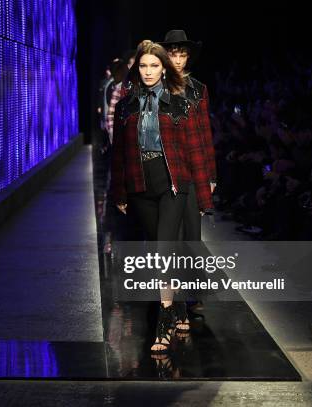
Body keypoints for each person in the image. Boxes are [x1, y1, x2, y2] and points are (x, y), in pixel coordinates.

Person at [110, 41, 213, 353]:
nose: (149, 71)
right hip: (141, 184)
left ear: (164, 67)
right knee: (161, 250)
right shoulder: (126, 104)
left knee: (165, 250)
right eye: (144, 66)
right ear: (137, 69)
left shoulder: (180, 101)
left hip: (174, 184)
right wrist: (120, 190)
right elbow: (119, 154)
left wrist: (204, 196)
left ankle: (164, 322)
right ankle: (178, 303)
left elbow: (196, 149)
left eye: (155, 66)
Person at [161, 29, 218, 325]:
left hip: (193, 167)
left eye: (183, 54)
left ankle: (190, 293)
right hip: (165, 169)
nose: (179, 60)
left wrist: (210, 174)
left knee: (192, 234)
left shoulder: (198, 88)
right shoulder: (154, 86)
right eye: (174, 54)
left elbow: (205, 134)